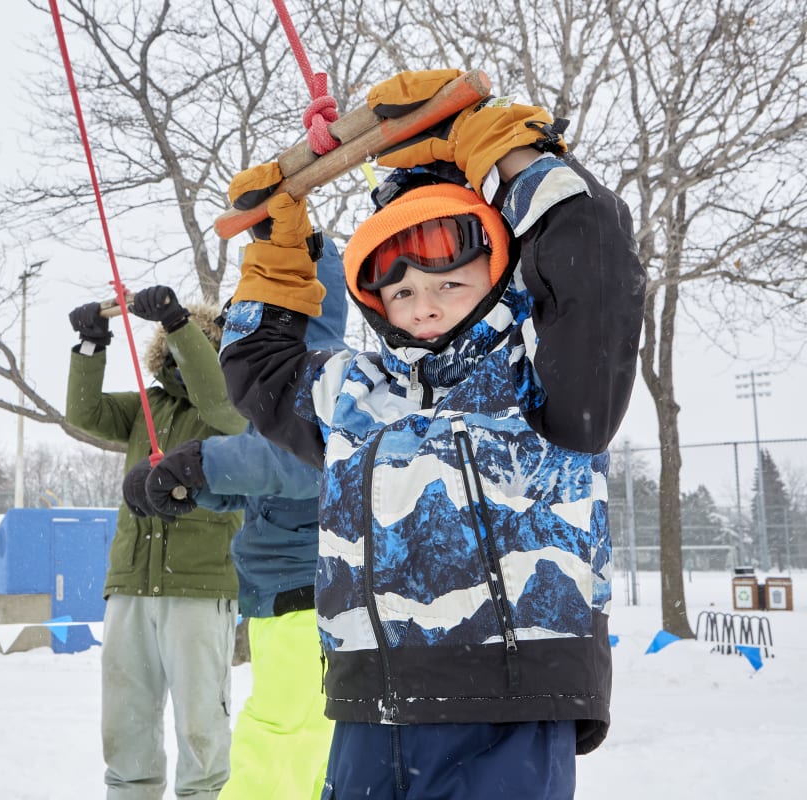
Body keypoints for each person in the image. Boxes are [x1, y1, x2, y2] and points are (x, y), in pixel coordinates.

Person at [218, 68, 646, 799]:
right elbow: (259, 368)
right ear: (375, 297)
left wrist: (503, 150)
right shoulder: (355, 395)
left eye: (452, 283)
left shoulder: (543, 379)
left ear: (496, 273)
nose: (426, 305)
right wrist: (277, 251)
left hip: (508, 699)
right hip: (367, 702)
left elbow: (591, 257)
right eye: (404, 289)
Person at [127, 239, 349, 800]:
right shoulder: (278, 382)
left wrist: (202, 464)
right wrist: (186, 486)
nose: (240, 324)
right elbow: (267, 487)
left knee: (281, 734)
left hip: (312, 589)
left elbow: (303, 465)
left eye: (258, 302)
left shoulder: (324, 373)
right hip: (282, 589)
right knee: (297, 736)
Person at [65, 286, 248, 800]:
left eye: (188, 348)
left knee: (200, 726)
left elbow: (221, 401)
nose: (179, 361)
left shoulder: (231, 410)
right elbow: (84, 413)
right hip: (129, 586)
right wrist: (91, 346)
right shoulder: (148, 407)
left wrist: (178, 322)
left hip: (201, 586)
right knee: (124, 724)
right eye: (170, 350)